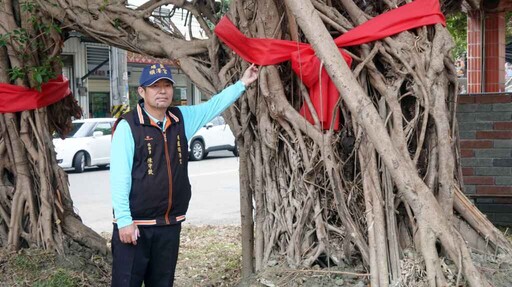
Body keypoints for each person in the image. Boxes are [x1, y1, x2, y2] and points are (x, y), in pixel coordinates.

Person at [110, 62, 259, 287]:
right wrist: (124, 220)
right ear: (141, 91)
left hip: (170, 224)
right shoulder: (128, 126)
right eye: (154, 86)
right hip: (136, 226)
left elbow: (213, 106)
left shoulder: (182, 119)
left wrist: (242, 84)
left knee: (162, 282)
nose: (162, 91)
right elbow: (120, 177)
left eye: (167, 85)